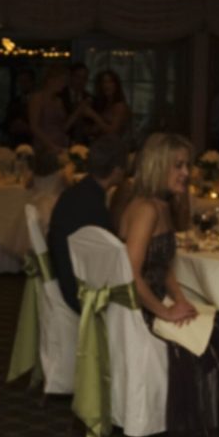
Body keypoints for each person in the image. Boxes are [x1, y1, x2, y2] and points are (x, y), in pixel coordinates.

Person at [118, 132, 219, 437]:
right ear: (159, 166)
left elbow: (163, 265)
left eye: (188, 165)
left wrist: (182, 300)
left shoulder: (160, 205)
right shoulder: (145, 210)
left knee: (218, 322)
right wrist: (165, 312)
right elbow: (130, 274)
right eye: (179, 166)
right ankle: (211, 422)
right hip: (139, 309)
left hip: (152, 301)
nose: (187, 173)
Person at [46, 134, 127, 312]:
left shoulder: (77, 193)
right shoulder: (93, 206)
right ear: (116, 171)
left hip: (66, 277)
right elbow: (112, 257)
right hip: (80, 292)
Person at [68, 69, 131, 145]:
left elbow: (112, 132)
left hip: (114, 149)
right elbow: (98, 128)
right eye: (103, 82)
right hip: (99, 146)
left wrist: (93, 115)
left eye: (110, 82)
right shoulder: (103, 105)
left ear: (116, 85)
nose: (106, 85)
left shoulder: (120, 106)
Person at [28, 64, 69, 173]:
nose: (64, 84)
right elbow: (34, 126)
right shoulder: (37, 99)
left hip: (60, 144)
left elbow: (62, 125)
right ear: (51, 80)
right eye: (61, 80)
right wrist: (51, 145)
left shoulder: (59, 101)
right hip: (44, 146)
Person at [60, 62, 93, 145]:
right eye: (78, 77)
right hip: (62, 141)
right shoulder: (60, 96)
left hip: (84, 143)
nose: (81, 81)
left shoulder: (89, 98)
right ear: (71, 76)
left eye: (84, 78)